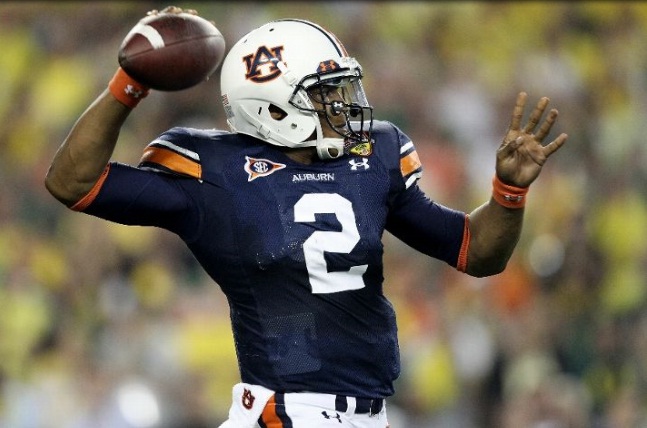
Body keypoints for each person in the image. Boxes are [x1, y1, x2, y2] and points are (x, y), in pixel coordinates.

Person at [44, 6, 567, 428]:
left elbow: (475, 252)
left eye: (343, 89)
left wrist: (508, 192)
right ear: (272, 109)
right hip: (281, 413)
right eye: (326, 95)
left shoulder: (373, 156)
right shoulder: (215, 172)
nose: (346, 105)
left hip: (371, 415)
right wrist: (127, 86)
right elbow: (73, 182)